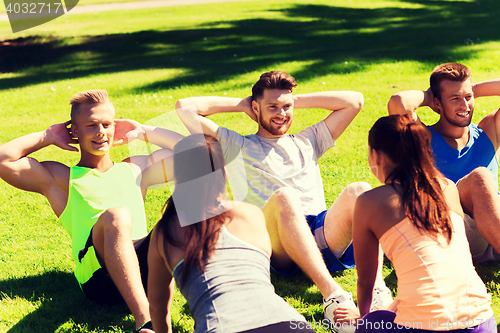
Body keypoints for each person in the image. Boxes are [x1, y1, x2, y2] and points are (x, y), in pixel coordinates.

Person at [175, 71, 392, 329]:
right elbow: (184, 108)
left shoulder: (308, 141)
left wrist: (294, 100)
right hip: (277, 242)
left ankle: (378, 293)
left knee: (360, 190)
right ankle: (333, 296)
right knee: (284, 196)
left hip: (320, 233)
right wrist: (243, 105)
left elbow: (354, 101)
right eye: (272, 107)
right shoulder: (236, 145)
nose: (281, 114)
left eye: (286, 107)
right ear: (256, 108)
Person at [0, 90, 183, 333]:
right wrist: (50, 135)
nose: (100, 132)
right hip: (99, 278)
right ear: (75, 132)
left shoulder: (136, 169)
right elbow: (4, 161)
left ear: (115, 127)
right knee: (116, 216)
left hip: (145, 268)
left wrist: (144, 131)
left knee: (181, 217)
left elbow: (201, 154)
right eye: (90, 125)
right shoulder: (63, 179)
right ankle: (146, 321)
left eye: (106, 124)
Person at [147, 134, 317, 333]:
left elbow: (157, 305)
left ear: (177, 177)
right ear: (224, 173)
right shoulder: (250, 214)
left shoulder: (165, 232)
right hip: (290, 324)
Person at [346, 114, 496, 332]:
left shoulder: (369, 202)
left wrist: (364, 319)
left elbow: (366, 282)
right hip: (482, 321)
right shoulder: (447, 188)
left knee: (370, 325)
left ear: (376, 156)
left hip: (426, 327)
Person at [388, 62, 500, 263]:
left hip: (494, 223)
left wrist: (474, 89)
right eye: (455, 99)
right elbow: (398, 102)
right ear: (437, 104)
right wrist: (429, 96)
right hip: (457, 231)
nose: (464, 106)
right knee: (480, 177)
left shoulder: (488, 131)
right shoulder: (423, 138)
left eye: (468, 98)